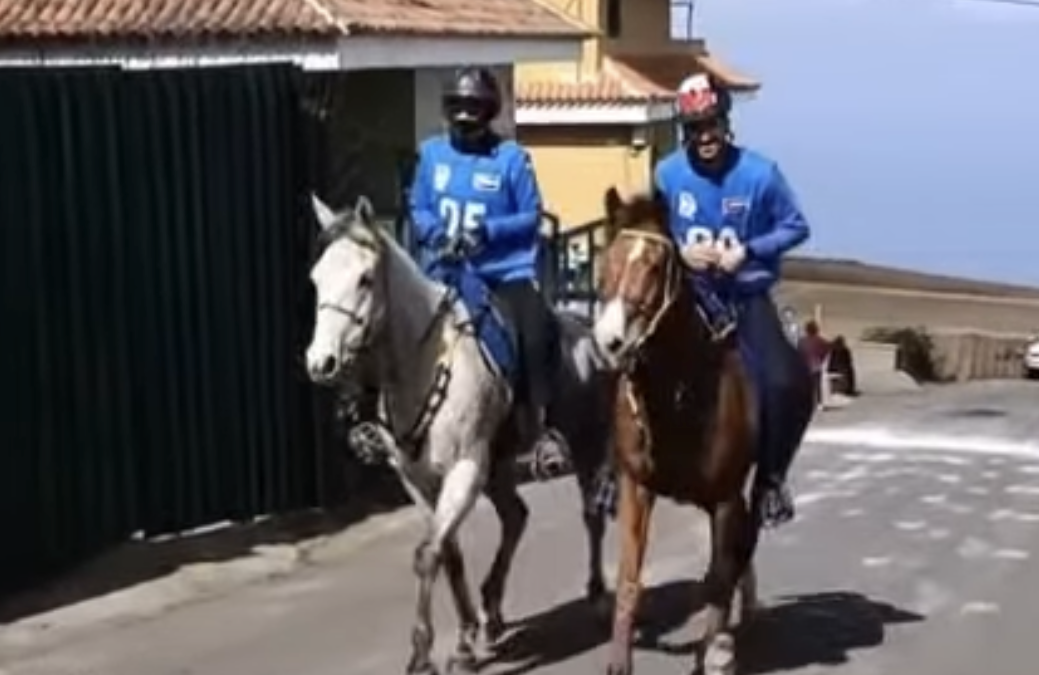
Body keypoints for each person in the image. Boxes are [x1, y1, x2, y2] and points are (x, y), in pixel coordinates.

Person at [653, 72, 815, 528]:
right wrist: (679, 252)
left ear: (726, 124)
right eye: (695, 129)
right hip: (689, 295)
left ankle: (770, 481)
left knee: (785, 382)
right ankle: (615, 467)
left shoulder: (761, 174)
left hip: (745, 297)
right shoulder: (666, 175)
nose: (705, 137)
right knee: (627, 360)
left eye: (712, 125)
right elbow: (651, 229)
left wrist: (748, 251)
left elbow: (796, 226)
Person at [408, 66, 567, 476]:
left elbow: (530, 215)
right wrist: (435, 233)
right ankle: (374, 417)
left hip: (502, 273)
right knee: (390, 320)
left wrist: (488, 233)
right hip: (443, 270)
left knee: (536, 330)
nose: (465, 116)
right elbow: (418, 206)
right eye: (458, 107)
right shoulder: (430, 154)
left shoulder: (511, 159)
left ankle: (542, 426)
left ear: (489, 111)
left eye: (474, 108)